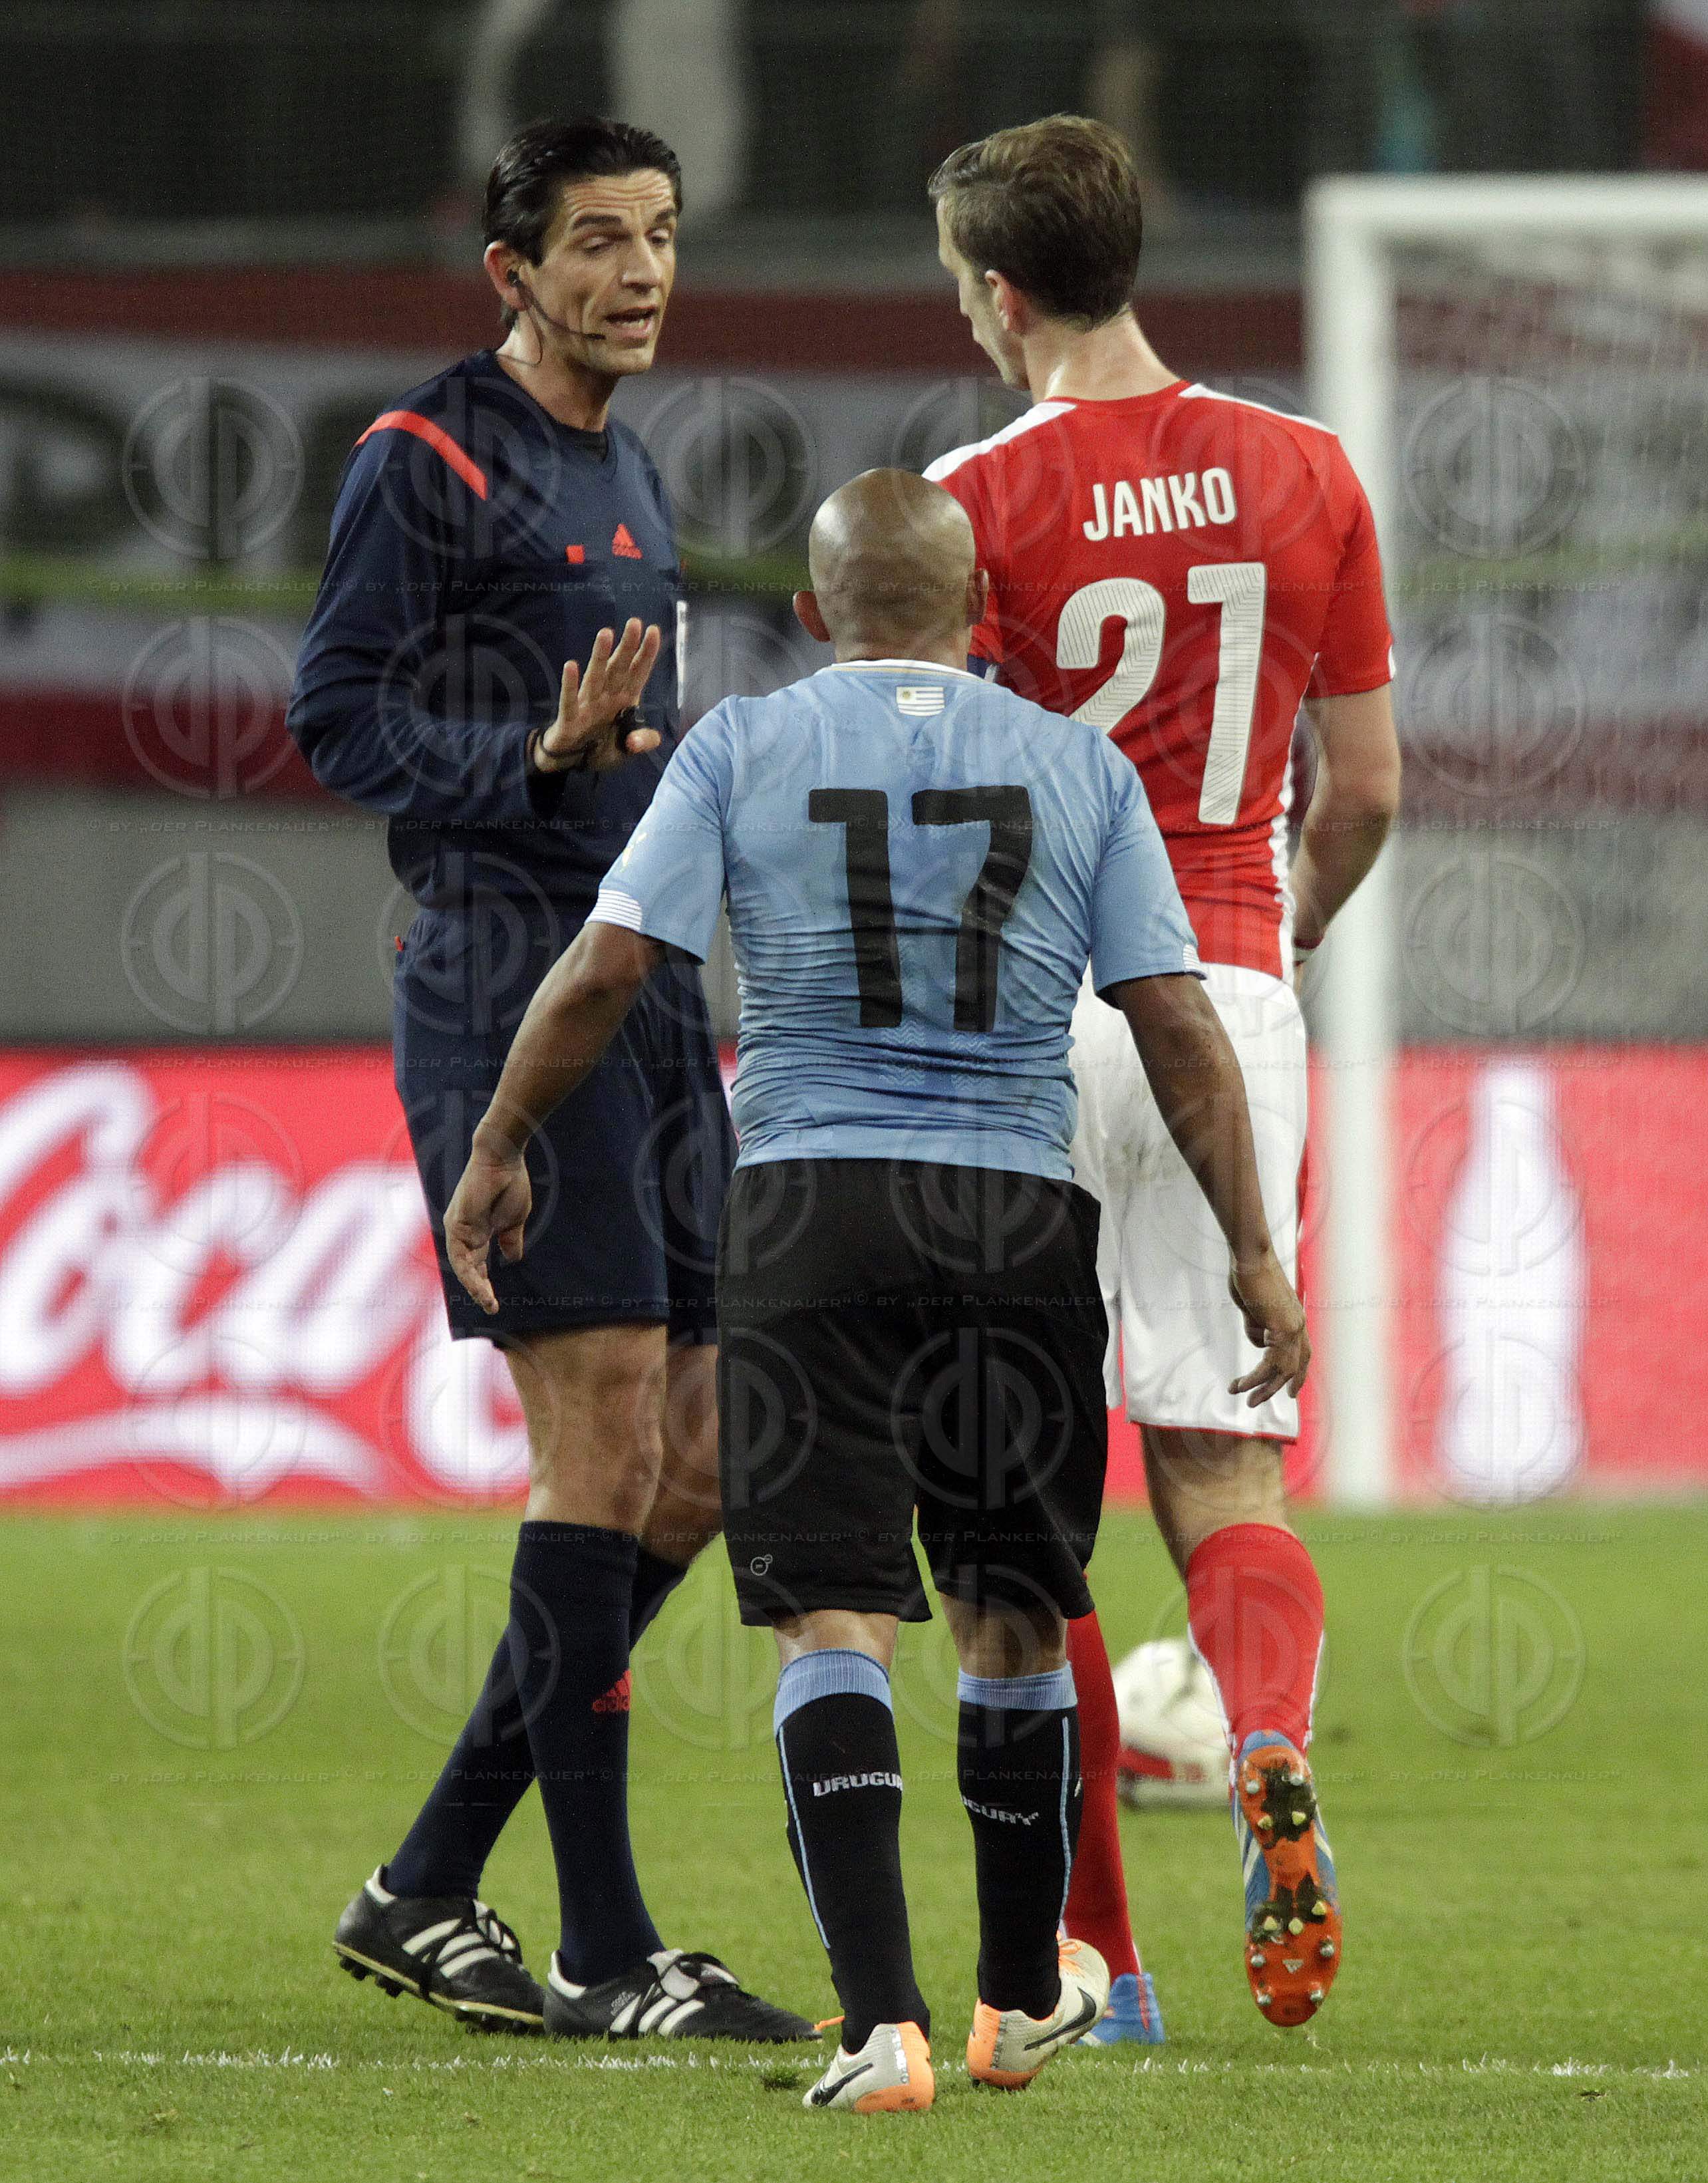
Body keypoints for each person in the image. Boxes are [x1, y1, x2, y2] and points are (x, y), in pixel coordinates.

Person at [440, 468, 1310, 2111]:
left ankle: (880, 2030)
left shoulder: (742, 748)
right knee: (1010, 1617)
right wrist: (1252, 1245)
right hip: (1018, 1219)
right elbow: (1177, 1019)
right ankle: (1011, 2002)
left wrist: (499, 1138)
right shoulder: (1082, 766)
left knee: (829, 1617)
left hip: (811, 1217)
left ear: (820, 613)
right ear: (982, 613)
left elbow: (610, 965)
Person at [287, 114, 809, 2043]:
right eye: (598, 242)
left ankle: (430, 1878)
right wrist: (532, 756)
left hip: (649, 976)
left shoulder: (627, 457)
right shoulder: (425, 458)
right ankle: (604, 1943)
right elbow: (332, 712)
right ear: (509, 270)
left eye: (660, 236)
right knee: (597, 1432)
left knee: (718, 1437)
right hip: (510, 967)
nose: (641, 272)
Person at [924, 114, 1402, 2033]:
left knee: (1023, 1512)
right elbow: (1362, 792)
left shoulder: (970, 499)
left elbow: (941, 807)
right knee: (1224, 1460)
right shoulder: (1308, 469)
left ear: (1002, 288)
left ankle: (1099, 1959)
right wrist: (1265, 953)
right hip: (1230, 984)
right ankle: (1269, 1740)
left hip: (1033, 1013)